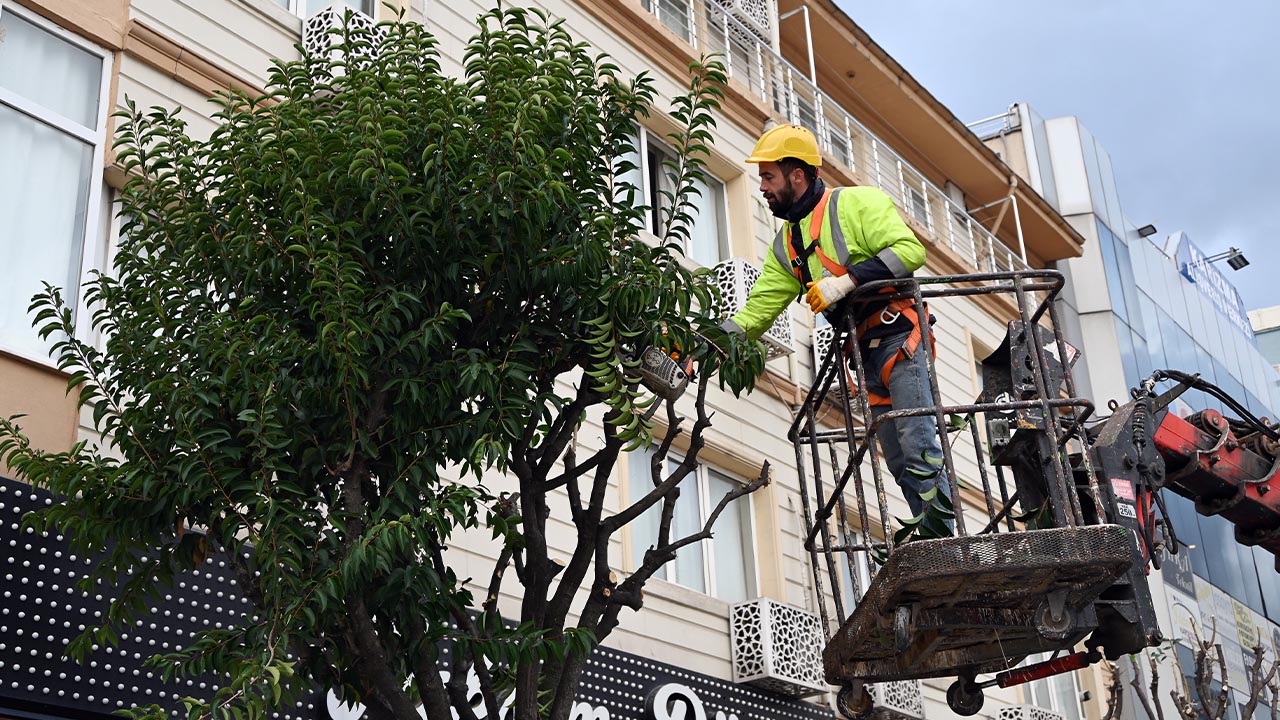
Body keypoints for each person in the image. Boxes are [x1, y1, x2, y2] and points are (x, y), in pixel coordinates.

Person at [717, 124, 948, 517]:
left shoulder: (857, 205)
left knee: (918, 440)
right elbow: (756, 313)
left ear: (797, 175)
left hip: (900, 334)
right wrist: (705, 342)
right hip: (865, 354)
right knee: (895, 456)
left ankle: (949, 541)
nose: (762, 187)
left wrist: (848, 282)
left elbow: (910, 251)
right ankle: (933, 536)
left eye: (768, 177)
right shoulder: (787, 245)